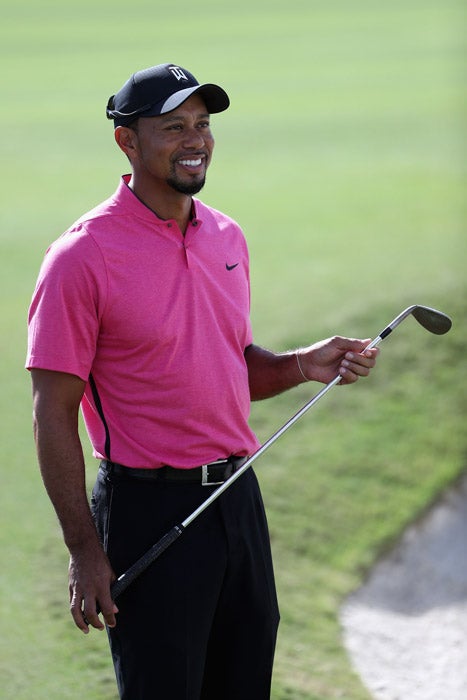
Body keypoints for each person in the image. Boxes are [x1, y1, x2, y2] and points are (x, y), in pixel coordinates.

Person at [26, 62, 378, 700]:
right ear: (127, 141)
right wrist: (83, 549)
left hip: (238, 501)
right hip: (146, 510)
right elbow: (53, 413)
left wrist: (303, 364)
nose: (195, 139)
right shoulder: (81, 257)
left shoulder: (226, 235)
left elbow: (228, 366)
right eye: (173, 127)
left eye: (202, 124)